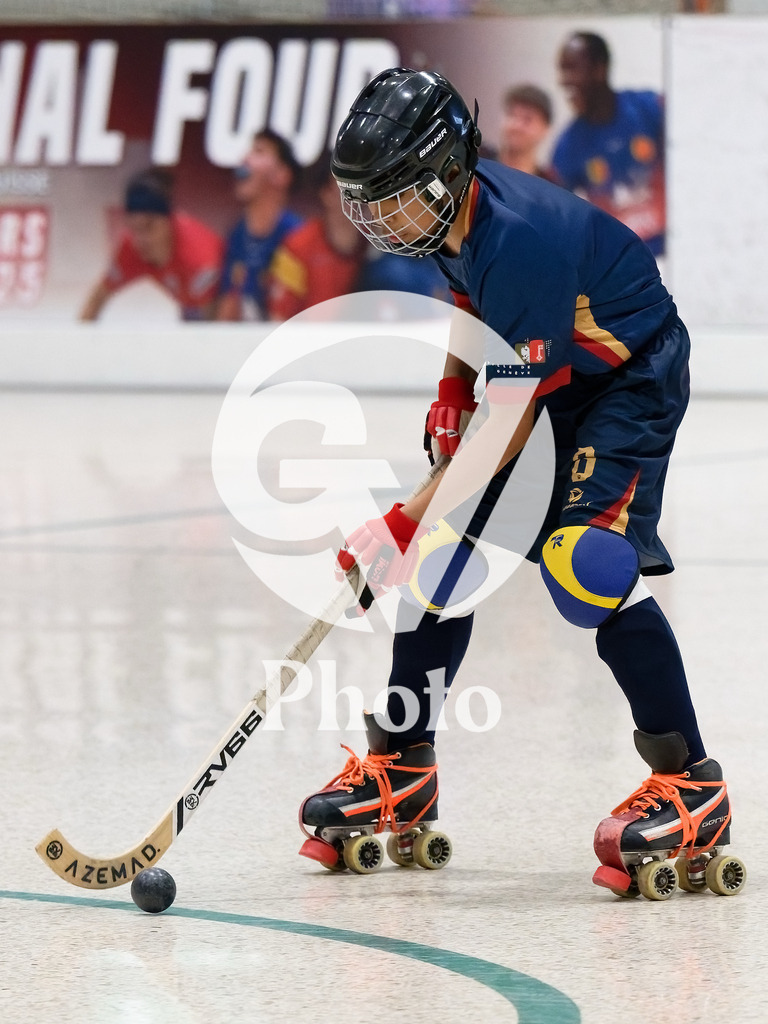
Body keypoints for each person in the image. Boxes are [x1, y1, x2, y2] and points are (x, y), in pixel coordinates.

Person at [296, 68, 744, 898]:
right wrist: (450, 388)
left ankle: (693, 784)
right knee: (442, 562)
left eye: (390, 198)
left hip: (627, 382)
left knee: (582, 565)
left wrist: (402, 519)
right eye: (368, 200)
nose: (378, 218)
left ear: (442, 172)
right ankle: (404, 766)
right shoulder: (449, 216)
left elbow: (506, 425)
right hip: (552, 381)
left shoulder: (521, 239)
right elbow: (474, 310)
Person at [551, 32, 666, 257]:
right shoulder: (567, 147)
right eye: (562, 70)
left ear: (599, 69)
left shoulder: (648, 107)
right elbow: (554, 217)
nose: (563, 80)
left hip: (677, 249)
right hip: (626, 263)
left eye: (571, 68)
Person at [79, 168, 223, 321]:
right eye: (134, 228)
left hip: (227, 296)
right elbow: (96, 299)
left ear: (169, 221)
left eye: (149, 226)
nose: (142, 239)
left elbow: (216, 325)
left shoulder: (198, 258)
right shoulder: (131, 247)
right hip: (192, 300)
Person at [218, 129, 303, 321]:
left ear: (281, 175)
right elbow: (226, 313)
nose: (244, 159)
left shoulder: (297, 237)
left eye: (259, 151)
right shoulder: (237, 236)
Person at [266, 163, 365, 321]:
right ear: (327, 193)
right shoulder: (297, 246)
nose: (358, 192)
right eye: (347, 185)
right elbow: (278, 319)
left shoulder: (380, 245)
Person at [497, 83, 554, 179]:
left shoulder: (548, 183)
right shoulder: (478, 162)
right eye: (511, 115)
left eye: (527, 119)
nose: (515, 125)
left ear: (545, 129)